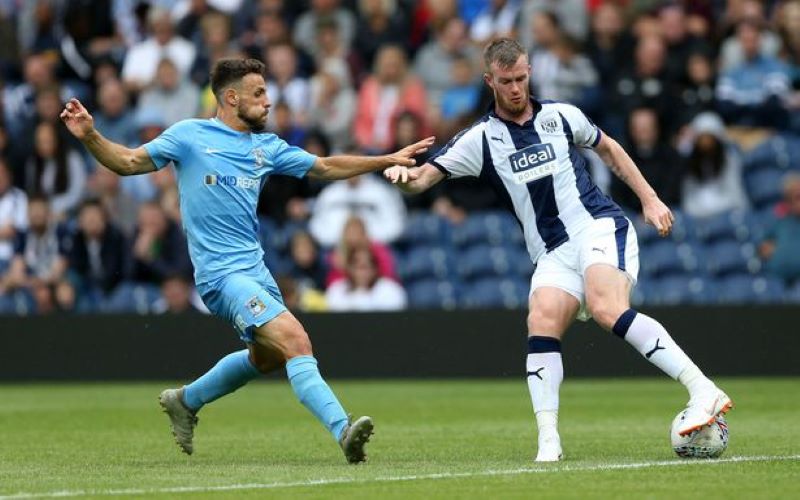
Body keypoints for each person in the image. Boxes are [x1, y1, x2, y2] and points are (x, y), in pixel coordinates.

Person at [60, 57, 433, 463]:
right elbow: (128, 162)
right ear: (232, 98)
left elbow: (324, 166)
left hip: (256, 272)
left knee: (267, 357)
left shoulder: (265, 146)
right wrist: (90, 135)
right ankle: (343, 430)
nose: (268, 102)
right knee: (295, 340)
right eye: (259, 93)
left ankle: (186, 400)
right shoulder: (189, 135)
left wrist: (385, 159)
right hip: (221, 277)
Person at [384, 39, 731, 462]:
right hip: (551, 252)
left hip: (597, 225)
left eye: (522, 78)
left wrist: (649, 198)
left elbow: (609, 149)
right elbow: (426, 177)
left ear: (529, 72)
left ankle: (704, 389)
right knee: (542, 318)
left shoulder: (562, 115)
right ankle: (549, 440)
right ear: (489, 81)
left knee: (606, 308)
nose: (516, 89)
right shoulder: (481, 140)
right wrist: (405, 174)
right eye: (507, 81)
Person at [325, 247, 407, 312]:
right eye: (360, 267)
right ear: (349, 268)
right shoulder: (336, 290)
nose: (364, 272)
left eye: (368, 267)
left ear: (375, 269)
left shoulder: (391, 290)